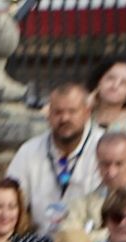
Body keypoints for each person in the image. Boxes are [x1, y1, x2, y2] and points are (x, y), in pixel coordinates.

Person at [6, 83, 104, 233]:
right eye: (58, 112)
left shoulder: (104, 147)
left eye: (72, 111)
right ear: (49, 114)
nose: (64, 118)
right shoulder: (29, 151)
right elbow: (11, 200)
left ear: (87, 113)